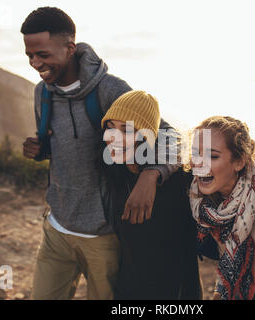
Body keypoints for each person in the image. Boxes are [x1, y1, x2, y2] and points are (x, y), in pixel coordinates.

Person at [20, 7, 178, 300]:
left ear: (69, 48)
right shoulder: (42, 92)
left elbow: (170, 135)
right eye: (30, 55)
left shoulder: (109, 89)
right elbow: (64, 147)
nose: (35, 63)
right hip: (56, 227)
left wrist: (152, 174)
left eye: (42, 54)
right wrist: (40, 150)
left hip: (103, 236)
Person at [100, 90, 201, 300]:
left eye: (126, 130)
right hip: (127, 293)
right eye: (110, 127)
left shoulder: (179, 181)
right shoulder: (115, 176)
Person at [188, 116, 255, 300]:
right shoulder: (204, 202)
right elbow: (230, 256)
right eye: (195, 154)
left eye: (212, 156)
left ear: (239, 162)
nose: (198, 163)